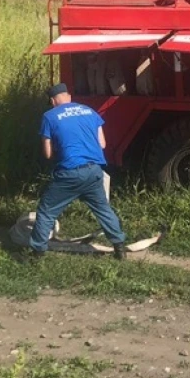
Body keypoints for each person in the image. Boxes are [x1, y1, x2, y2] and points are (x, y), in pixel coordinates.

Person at [26, 83, 128, 260]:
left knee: (46, 211)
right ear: (69, 96)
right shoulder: (90, 112)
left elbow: (48, 153)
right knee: (103, 209)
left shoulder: (49, 116)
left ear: (52, 100)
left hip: (69, 173)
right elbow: (102, 144)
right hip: (93, 171)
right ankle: (119, 247)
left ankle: (37, 254)